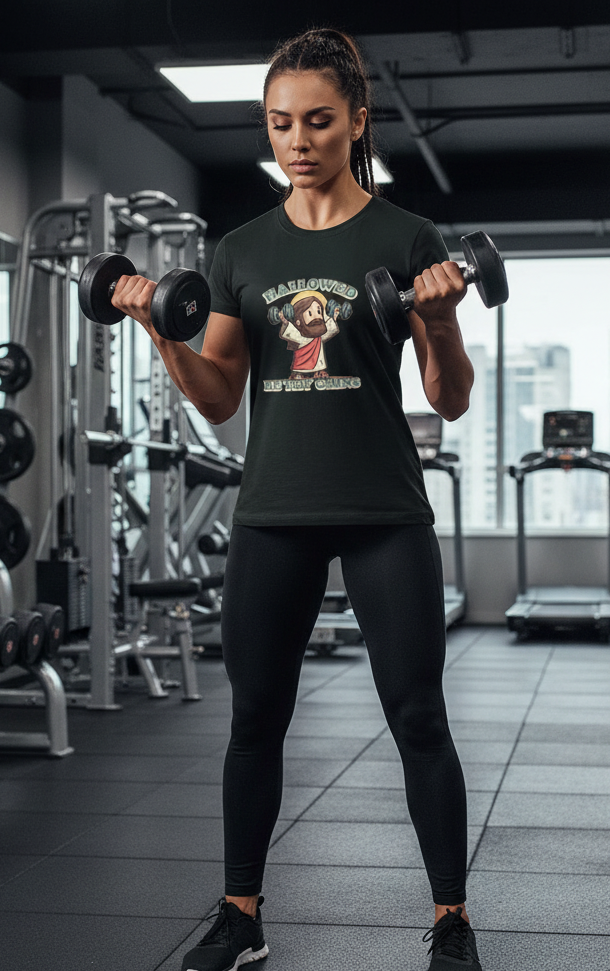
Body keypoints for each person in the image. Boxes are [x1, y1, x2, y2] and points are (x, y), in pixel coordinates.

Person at [110, 27, 480, 971]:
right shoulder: (242, 249)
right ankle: (242, 914)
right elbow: (220, 395)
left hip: (383, 509)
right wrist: (160, 329)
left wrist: (436, 318)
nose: (298, 139)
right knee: (254, 719)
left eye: (318, 120)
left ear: (358, 120)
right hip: (273, 510)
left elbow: (449, 396)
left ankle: (449, 919)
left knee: (419, 717)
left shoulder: (406, 237)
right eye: (280, 123)